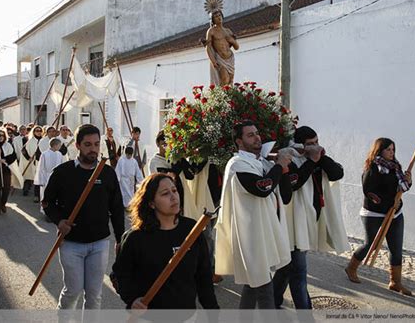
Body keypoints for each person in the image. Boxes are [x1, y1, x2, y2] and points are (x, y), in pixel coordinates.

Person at [42, 124, 125, 310]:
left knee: (94, 295)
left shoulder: (107, 173)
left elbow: (117, 209)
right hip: (71, 243)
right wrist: (59, 220)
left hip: (100, 243)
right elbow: (47, 202)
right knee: (73, 291)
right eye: (87, 144)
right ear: (77, 146)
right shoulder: (63, 172)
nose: (93, 149)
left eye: (96, 144)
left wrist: (120, 239)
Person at [112, 173, 219, 310]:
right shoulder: (136, 238)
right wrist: (132, 300)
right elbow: (121, 275)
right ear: (151, 203)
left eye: (174, 191)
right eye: (165, 194)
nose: (173, 197)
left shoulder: (192, 230)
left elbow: (203, 277)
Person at [215, 120, 292, 309]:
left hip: (264, 232)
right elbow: (263, 187)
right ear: (239, 142)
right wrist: (278, 166)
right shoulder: (237, 164)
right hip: (251, 237)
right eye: (250, 135)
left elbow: (286, 195)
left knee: (253, 285)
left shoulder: (261, 162)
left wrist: (281, 167)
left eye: (257, 133)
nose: (257, 137)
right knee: (265, 292)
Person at [272, 126, 349, 309]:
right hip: (293, 225)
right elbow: (294, 183)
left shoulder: (317, 158)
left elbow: (337, 173)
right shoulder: (291, 159)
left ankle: (271, 302)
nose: (315, 147)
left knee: (286, 268)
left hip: (309, 222)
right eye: (310, 144)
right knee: (298, 273)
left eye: (317, 142)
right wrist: (311, 161)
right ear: (299, 145)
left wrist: (319, 157)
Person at [345, 138, 412, 295]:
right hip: (373, 213)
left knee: (396, 248)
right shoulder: (372, 168)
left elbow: (401, 187)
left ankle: (395, 282)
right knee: (371, 245)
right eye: (388, 149)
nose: (392, 153)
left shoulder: (395, 167)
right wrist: (388, 204)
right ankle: (351, 267)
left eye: (393, 149)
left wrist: (408, 181)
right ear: (379, 150)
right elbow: (369, 192)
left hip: (395, 212)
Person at [205, 9, 239, 86]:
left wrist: (232, 41)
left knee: (230, 80)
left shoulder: (228, 31)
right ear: (212, 20)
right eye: (216, 16)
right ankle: (222, 97)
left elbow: (236, 47)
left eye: (220, 15)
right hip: (220, 59)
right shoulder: (211, 31)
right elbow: (208, 47)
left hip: (230, 59)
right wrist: (213, 61)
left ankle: (229, 97)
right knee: (224, 79)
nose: (218, 17)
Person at [20, 125, 43, 201]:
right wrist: (28, 158)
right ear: (34, 132)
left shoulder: (43, 141)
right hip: (31, 161)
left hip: (40, 161)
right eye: (37, 131)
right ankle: (25, 189)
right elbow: (23, 150)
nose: (39, 132)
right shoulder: (30, 141)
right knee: (29, 176)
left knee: (38, 178)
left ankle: (37, 195)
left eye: (40, 131)